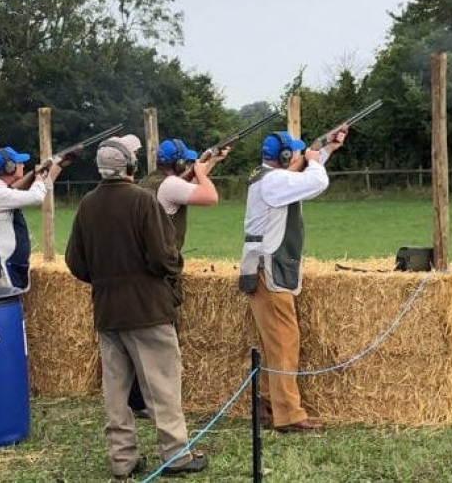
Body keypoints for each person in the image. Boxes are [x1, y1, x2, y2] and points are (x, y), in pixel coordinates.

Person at [65, 135, 208, 479]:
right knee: (162, 386)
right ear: (129, 166)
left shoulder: (87, 204)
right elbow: (163, 257)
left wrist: (105, 279)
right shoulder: (144, 201)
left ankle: (122, 461)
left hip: (107, 312)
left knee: (116, 393)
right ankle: (175, 455)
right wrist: (174, 267)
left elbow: (75, 262)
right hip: (147, 310)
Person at [238, 128, 348, 433]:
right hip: (269, 271)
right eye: (295, 153)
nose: (299, 156)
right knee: (285, 343)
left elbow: (303, 175)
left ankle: (267, 404)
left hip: (262, 268)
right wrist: (315, 159)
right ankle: (288, 415)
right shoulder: (273, 182)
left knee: (273, 344)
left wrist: (327, 149)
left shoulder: (267, 177)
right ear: (285, 156)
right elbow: (316, 181)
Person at [129, 138, 229, 416]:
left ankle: (138, 401)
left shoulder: (149, 181)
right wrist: (200, 172)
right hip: (162, 273)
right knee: (162, 341)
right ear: (180, 163)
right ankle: (158, 403)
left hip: (141, 269)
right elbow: (210, 196)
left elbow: (187, 184)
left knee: (143, 339)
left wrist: (210, 163)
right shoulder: (171, 185)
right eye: (187, 161)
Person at [0, 146, 63, 290]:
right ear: (9, 167)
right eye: (19, 163)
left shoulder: (0, 191)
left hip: (4, 265)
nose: (22, 165)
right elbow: (36, 197)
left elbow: (38, 188)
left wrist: (57, 165)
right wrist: (38, 176)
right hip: (0, 269)